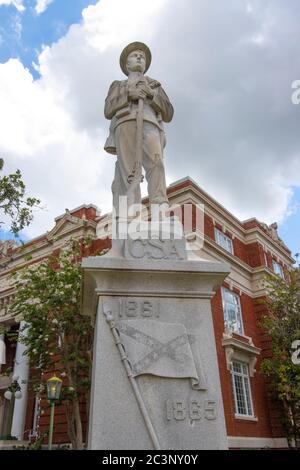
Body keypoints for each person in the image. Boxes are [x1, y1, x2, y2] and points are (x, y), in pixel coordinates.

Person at [104, 42, 174, 215]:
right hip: (125, 122)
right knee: (128, 169)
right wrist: (129, 95)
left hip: (150, 123)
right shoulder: (118, 85)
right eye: (135, 56)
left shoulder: (155, 85)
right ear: (127, 64)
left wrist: (151, 95)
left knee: (156, 163)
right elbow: (108, 109)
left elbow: (169, 113)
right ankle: (130, 212)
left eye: (142, 57)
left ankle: (160, 206)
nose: (139, 58)